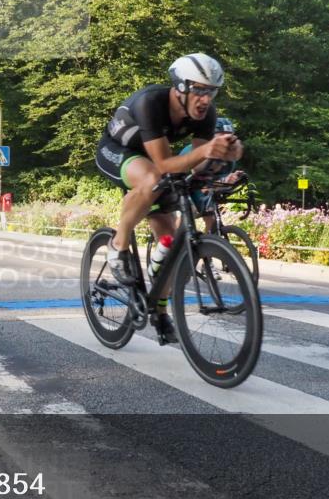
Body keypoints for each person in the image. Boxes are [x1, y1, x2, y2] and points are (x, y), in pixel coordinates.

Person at [94, 53, 243, 344]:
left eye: (211, 92)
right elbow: (163, 164)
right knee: (151, 179)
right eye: (199, 90)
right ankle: (118, 243)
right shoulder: (151, 103)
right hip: (117, 151)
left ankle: (159, 311)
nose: (205, 99)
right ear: (180, 88)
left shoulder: (206, 115)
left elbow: (197, 166)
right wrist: (205, 151)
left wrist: (228, 155)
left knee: (174, 244)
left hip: (155, 160)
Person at [178, 117, 246, 234]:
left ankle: (207, 248)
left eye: (230, 138)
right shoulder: (199, 150)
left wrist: (229, 181)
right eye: (222, 137)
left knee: (212, 220)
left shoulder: (229, 161)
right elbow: (197, 174)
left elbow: (214, 184)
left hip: (199, 188)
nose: (227, 143)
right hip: (182, 185)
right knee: (185, 219)